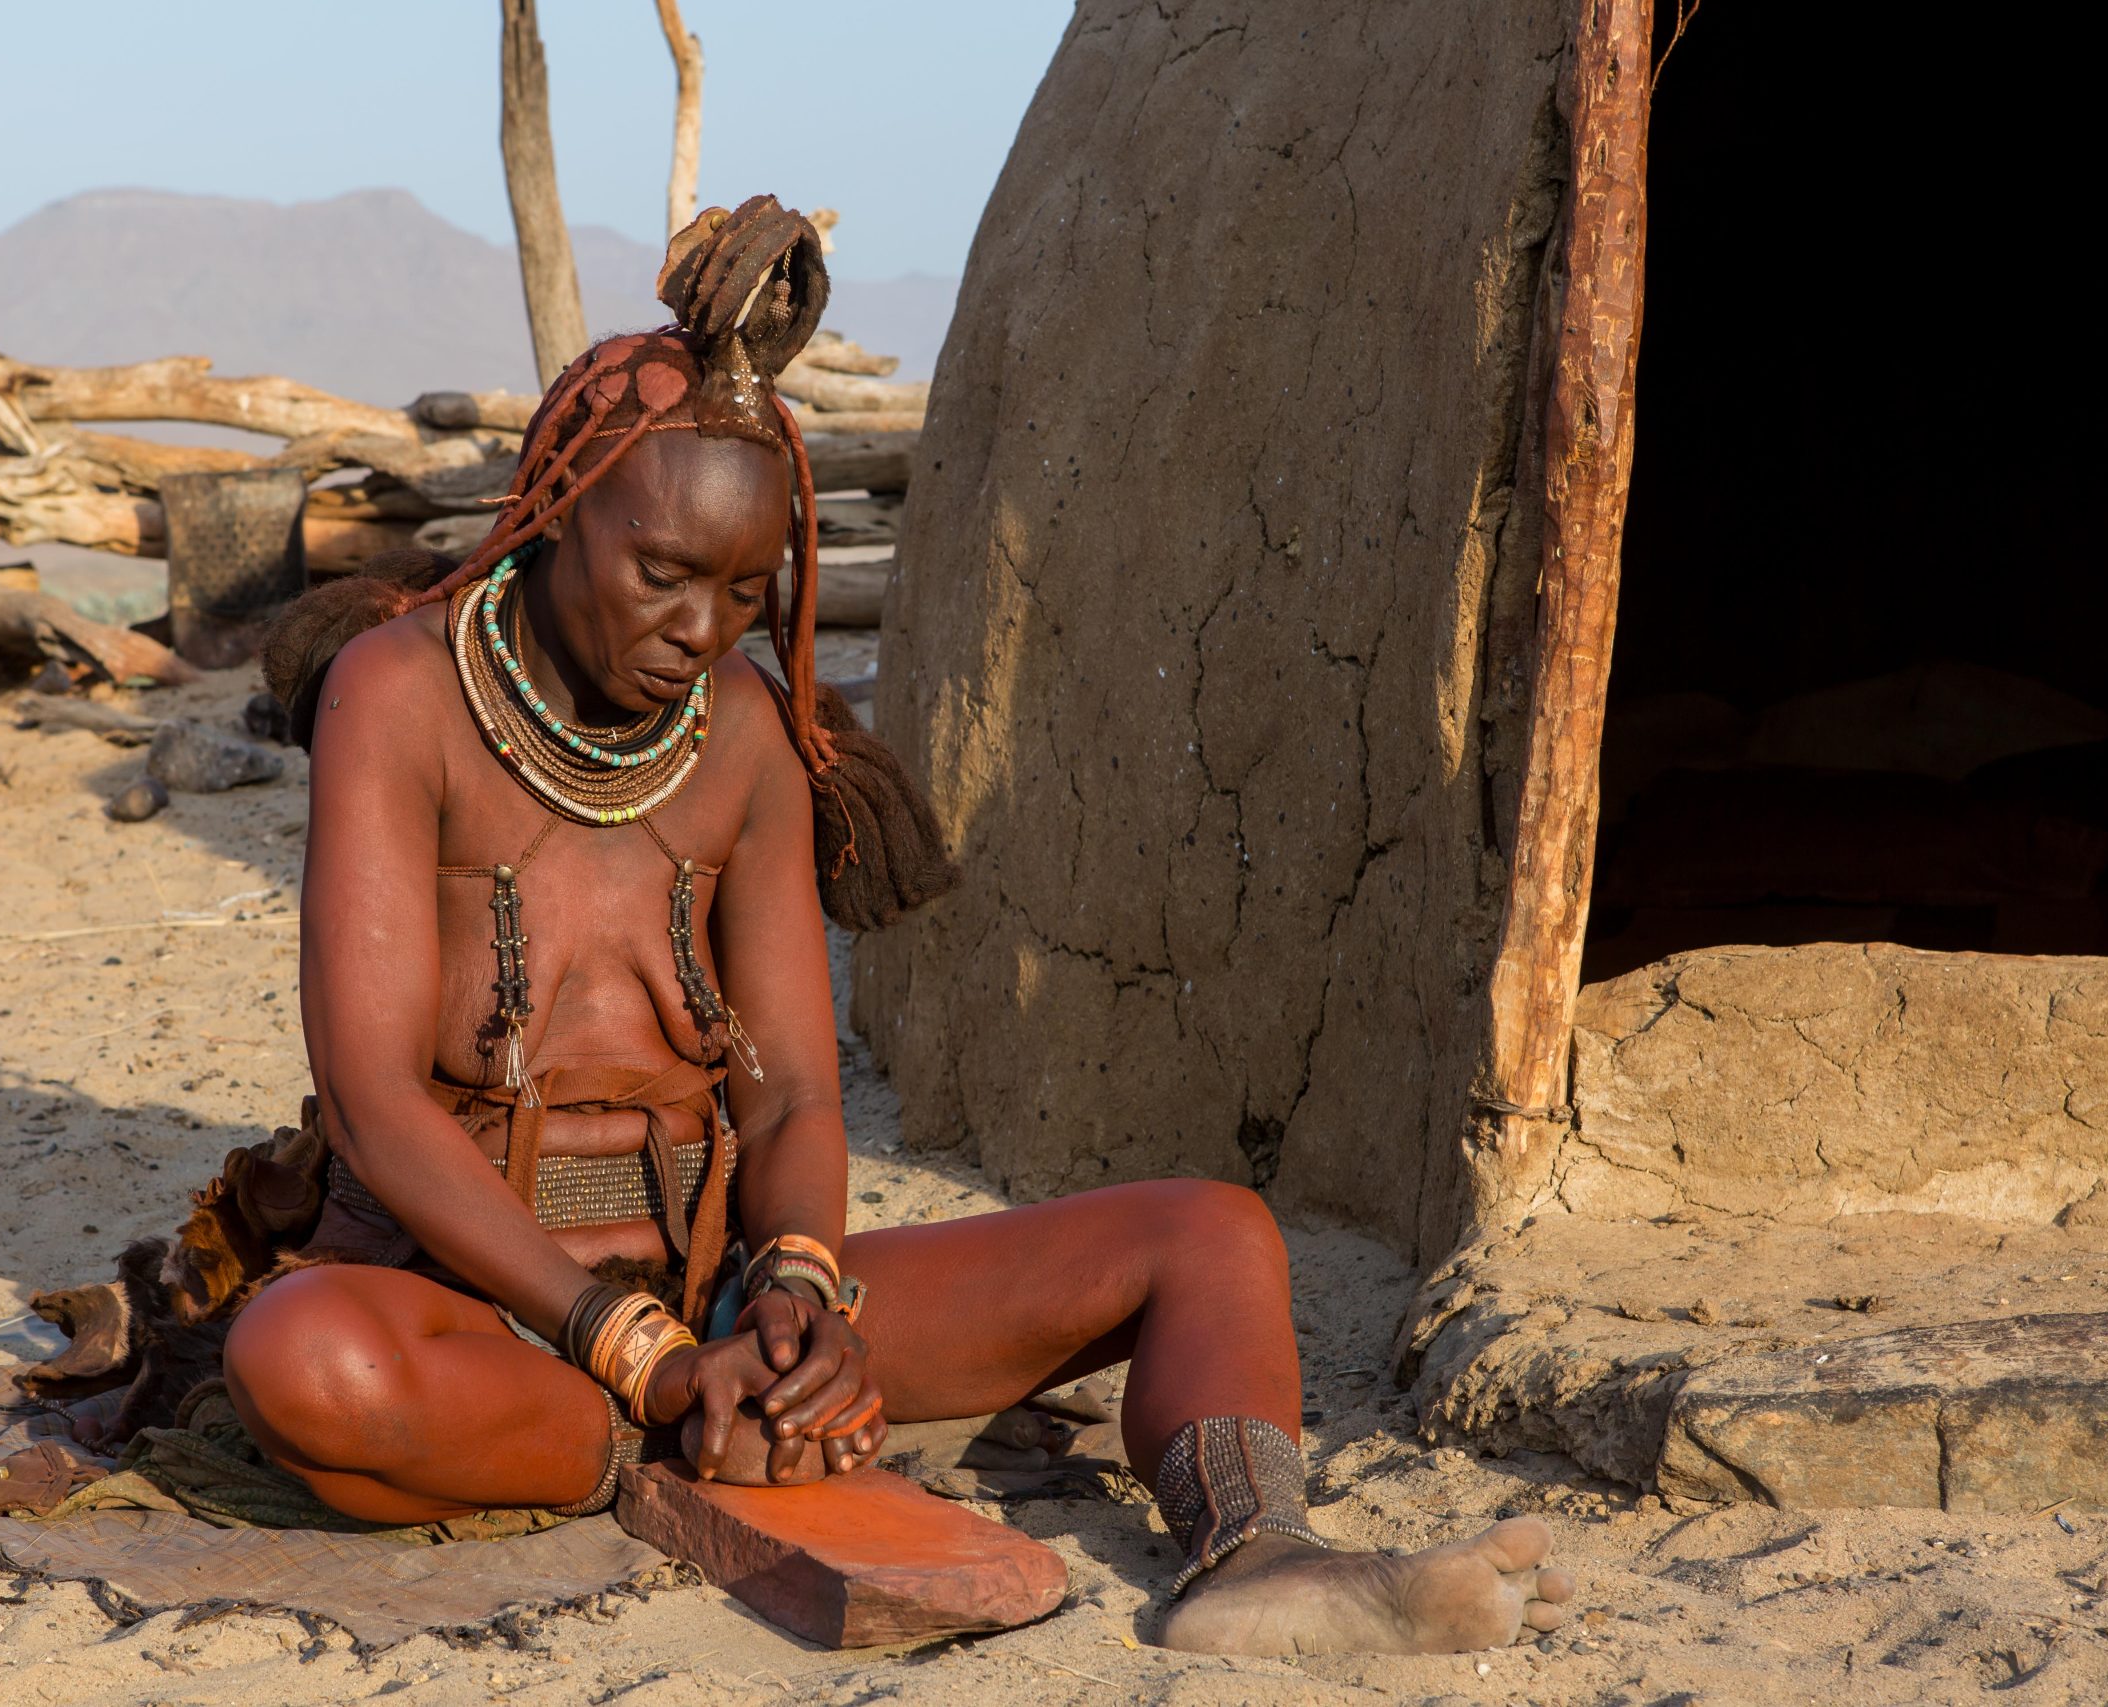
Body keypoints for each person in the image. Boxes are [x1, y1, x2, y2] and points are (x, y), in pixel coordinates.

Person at [215, 197, 1575, 1656]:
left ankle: (1263, 1558)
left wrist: (798, 1298)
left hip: (718, 1282)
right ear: (555, 515)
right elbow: (371, 1100)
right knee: (304, 1361)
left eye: (744, 591)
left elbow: (795, 1086)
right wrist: (655, 1369)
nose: (699, 627)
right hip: (482, 1305)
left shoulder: (740, 734)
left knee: (1209, 1231)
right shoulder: (399, 695)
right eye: (659, 572)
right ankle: (673, 1443)